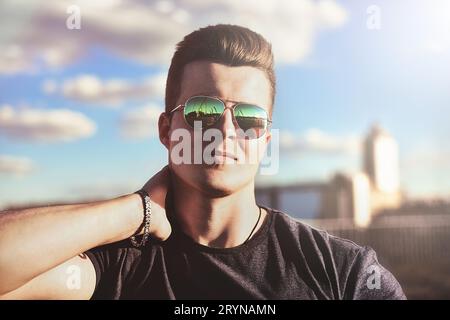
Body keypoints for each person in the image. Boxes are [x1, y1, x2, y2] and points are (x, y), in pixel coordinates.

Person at [0, 24, 406, 300]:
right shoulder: (115, 264)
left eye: (248, 118)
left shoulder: (341, 272)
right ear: (166, 130)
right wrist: (134, 210)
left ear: (265, 140)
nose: (225, 129)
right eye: (201, 110)